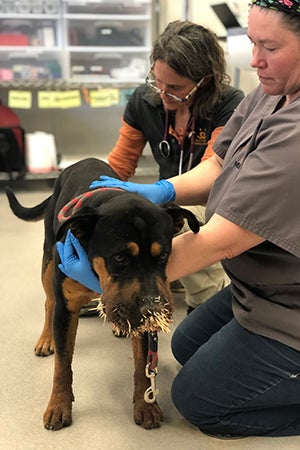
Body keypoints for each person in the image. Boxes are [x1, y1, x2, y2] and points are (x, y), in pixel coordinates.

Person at [58, 0, 300, 437]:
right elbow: (218, 164)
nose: (255, 59)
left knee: (198, 402)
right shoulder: (268, 95)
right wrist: (160, 189)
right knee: (186, 345)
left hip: (290, 303)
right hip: (257, 284)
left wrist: (110, 280)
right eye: (252, 43)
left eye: (269, 46)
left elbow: (219, 241)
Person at [105, 20, 244, 311]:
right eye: (157, 82)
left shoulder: (230, 104)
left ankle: (208, 301)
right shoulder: (143, 102)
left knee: (177, 226)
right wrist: (100, 198)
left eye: (176, 88)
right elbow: (121, 163)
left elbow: (212, 174)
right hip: (165, 198)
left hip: (213, 200)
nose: (163, 93)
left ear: (204, 80)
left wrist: (162, 192)